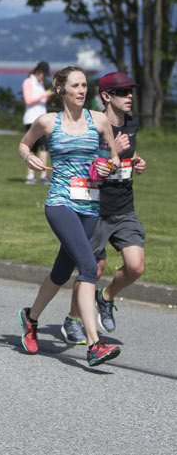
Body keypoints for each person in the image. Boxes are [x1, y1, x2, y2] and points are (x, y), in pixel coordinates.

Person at [17, 65, 123, 367]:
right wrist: (30, 157)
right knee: (89, 267)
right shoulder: (48, 122)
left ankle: (30, 317)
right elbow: (24, 144)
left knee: (62, 272)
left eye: (85, 85)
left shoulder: (100, 121)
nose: (82, 90)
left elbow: (113, 157)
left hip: (89, 204)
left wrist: (109, 167)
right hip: (60, 203)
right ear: (60, 88)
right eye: (75, 85)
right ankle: (94, 344)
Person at [61, 72, 147, 343]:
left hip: (124, 207)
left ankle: (106, 297)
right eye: (123, 92)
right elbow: (85, 164)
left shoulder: (131, 124)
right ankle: (73, 320)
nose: (129, 96)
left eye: (130, 91)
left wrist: (135, 160)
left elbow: (127, 154)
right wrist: (111, 152)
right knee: (92, 269)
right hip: (96, 207)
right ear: (107, 97)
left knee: (136, 267)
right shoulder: (92, 124)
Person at [22, 61, 53, 184]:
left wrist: (48, 95)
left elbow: (42, 101)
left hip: (40, 118)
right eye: (43, 74)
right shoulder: (28, 82)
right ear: (38, 72)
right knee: (43, 146)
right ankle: (42, 174)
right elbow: (28, 100)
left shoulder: (40, 84)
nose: (43, 77)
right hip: (32, 119)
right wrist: (45, 94)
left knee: (35, 147)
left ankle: (31, 176)